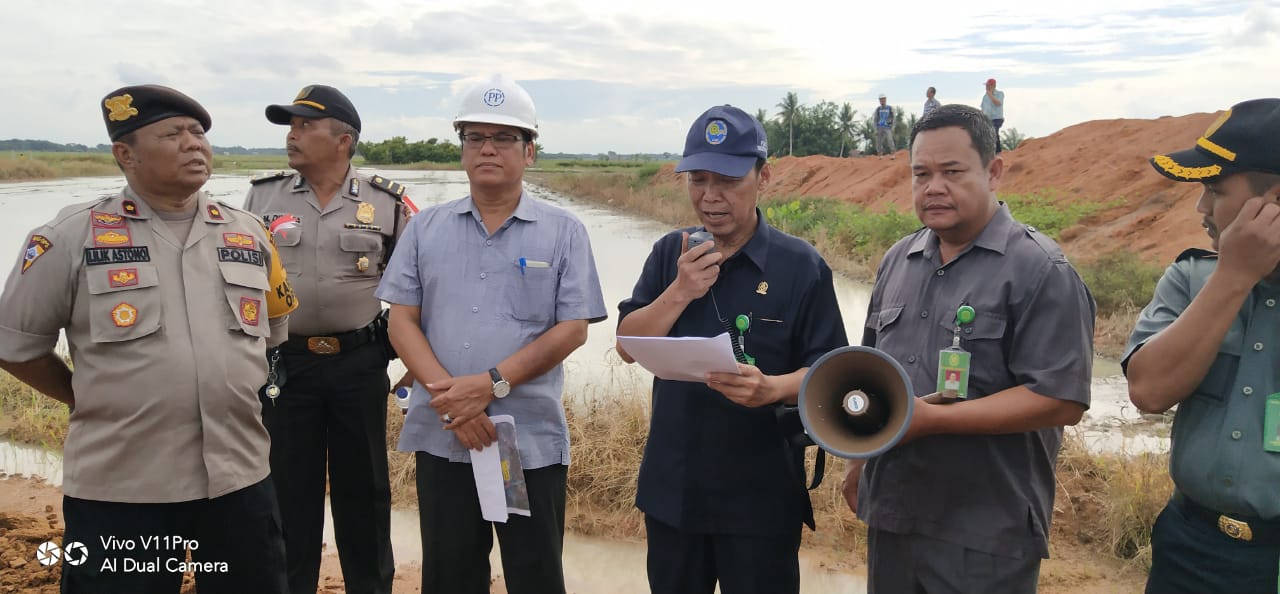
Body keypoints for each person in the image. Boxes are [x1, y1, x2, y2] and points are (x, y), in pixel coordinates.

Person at [0, 84, 295, 592]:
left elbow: (271, 334)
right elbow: (16, 346)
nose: (193, 143)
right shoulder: (72, 236)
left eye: (199, 132)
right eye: (173, 133)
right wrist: (81, 394)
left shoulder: (249, 233)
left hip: (238, 479)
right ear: (125, 154)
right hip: (123, 488)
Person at [844, 103, 1095, 593]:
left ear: (993, 171)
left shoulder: (1039, 270)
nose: (933, 186)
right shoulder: (900, 259)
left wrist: (933, 420)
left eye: (952, 171)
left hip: (985, 532)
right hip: (895, 516)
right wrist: (859, 460)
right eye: (921, 174)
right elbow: (871, 371)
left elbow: (1061, 398)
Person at [375, 74, 607, 594]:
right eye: (475, 137)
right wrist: (454, 401)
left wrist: (491, 384)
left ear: (529, 152)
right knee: (450, 572)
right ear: (461, 150)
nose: (487, 149)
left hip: (518, 443)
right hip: (446, 434)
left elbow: (572, 329)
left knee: (533, 573)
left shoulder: (563, 231)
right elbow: (401, 320)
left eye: (504, 138)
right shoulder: (426, 228)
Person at [616, 104, 848, 594]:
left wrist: (774, 388)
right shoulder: (669, 254)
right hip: (674, 492)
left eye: (727, 180)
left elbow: (832, 371)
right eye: (697, 180)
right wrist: (679, 290)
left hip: (761, 496)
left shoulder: (801, 267)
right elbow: (627, 345)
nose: (709, 196)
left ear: (763, 176)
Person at [243, 84, 410, 594]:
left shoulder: (387, 201)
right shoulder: (263, 196)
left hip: (358, 364)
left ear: (343, 140)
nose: (292, 137)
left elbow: (415, 289)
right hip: (284, 368)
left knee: (366, 491)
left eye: (303, 126)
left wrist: (396, 353)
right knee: (289, 492)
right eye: (290, 126)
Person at [1124, 98, 1280, 594]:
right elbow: (1148, 391)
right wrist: (1234, 276)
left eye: (1214, 189)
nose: (1201, 208)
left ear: (1273, 201)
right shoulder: (1193, 278)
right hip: (1189, 546)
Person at [981, 78, 1005, 153]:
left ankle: (997, 152)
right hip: (987, 119)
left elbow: (998, 103)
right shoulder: (985, 97)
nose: (987, 87)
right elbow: (983, 108)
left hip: (997, 118)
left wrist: (990, 95)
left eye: (988, 85)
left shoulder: (1000, 94)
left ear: (993, 86)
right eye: (986, 85)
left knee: (994, 132)